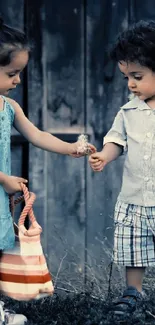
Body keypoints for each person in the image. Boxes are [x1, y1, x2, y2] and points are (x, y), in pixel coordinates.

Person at [0, 17, 96, 325]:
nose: (17, 81)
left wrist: (70, 148)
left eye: (19, 74)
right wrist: (4, 178)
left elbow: (37, 134)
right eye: (11, 73)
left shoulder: (9, 108)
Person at [89, 20, 155, 317]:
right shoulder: (128, 111)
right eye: (127, 76)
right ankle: (134, 292)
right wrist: (104, 155)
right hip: (134, 197)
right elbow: (117, 140)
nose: (130, 84)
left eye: (137, 76)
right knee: (133, 247)